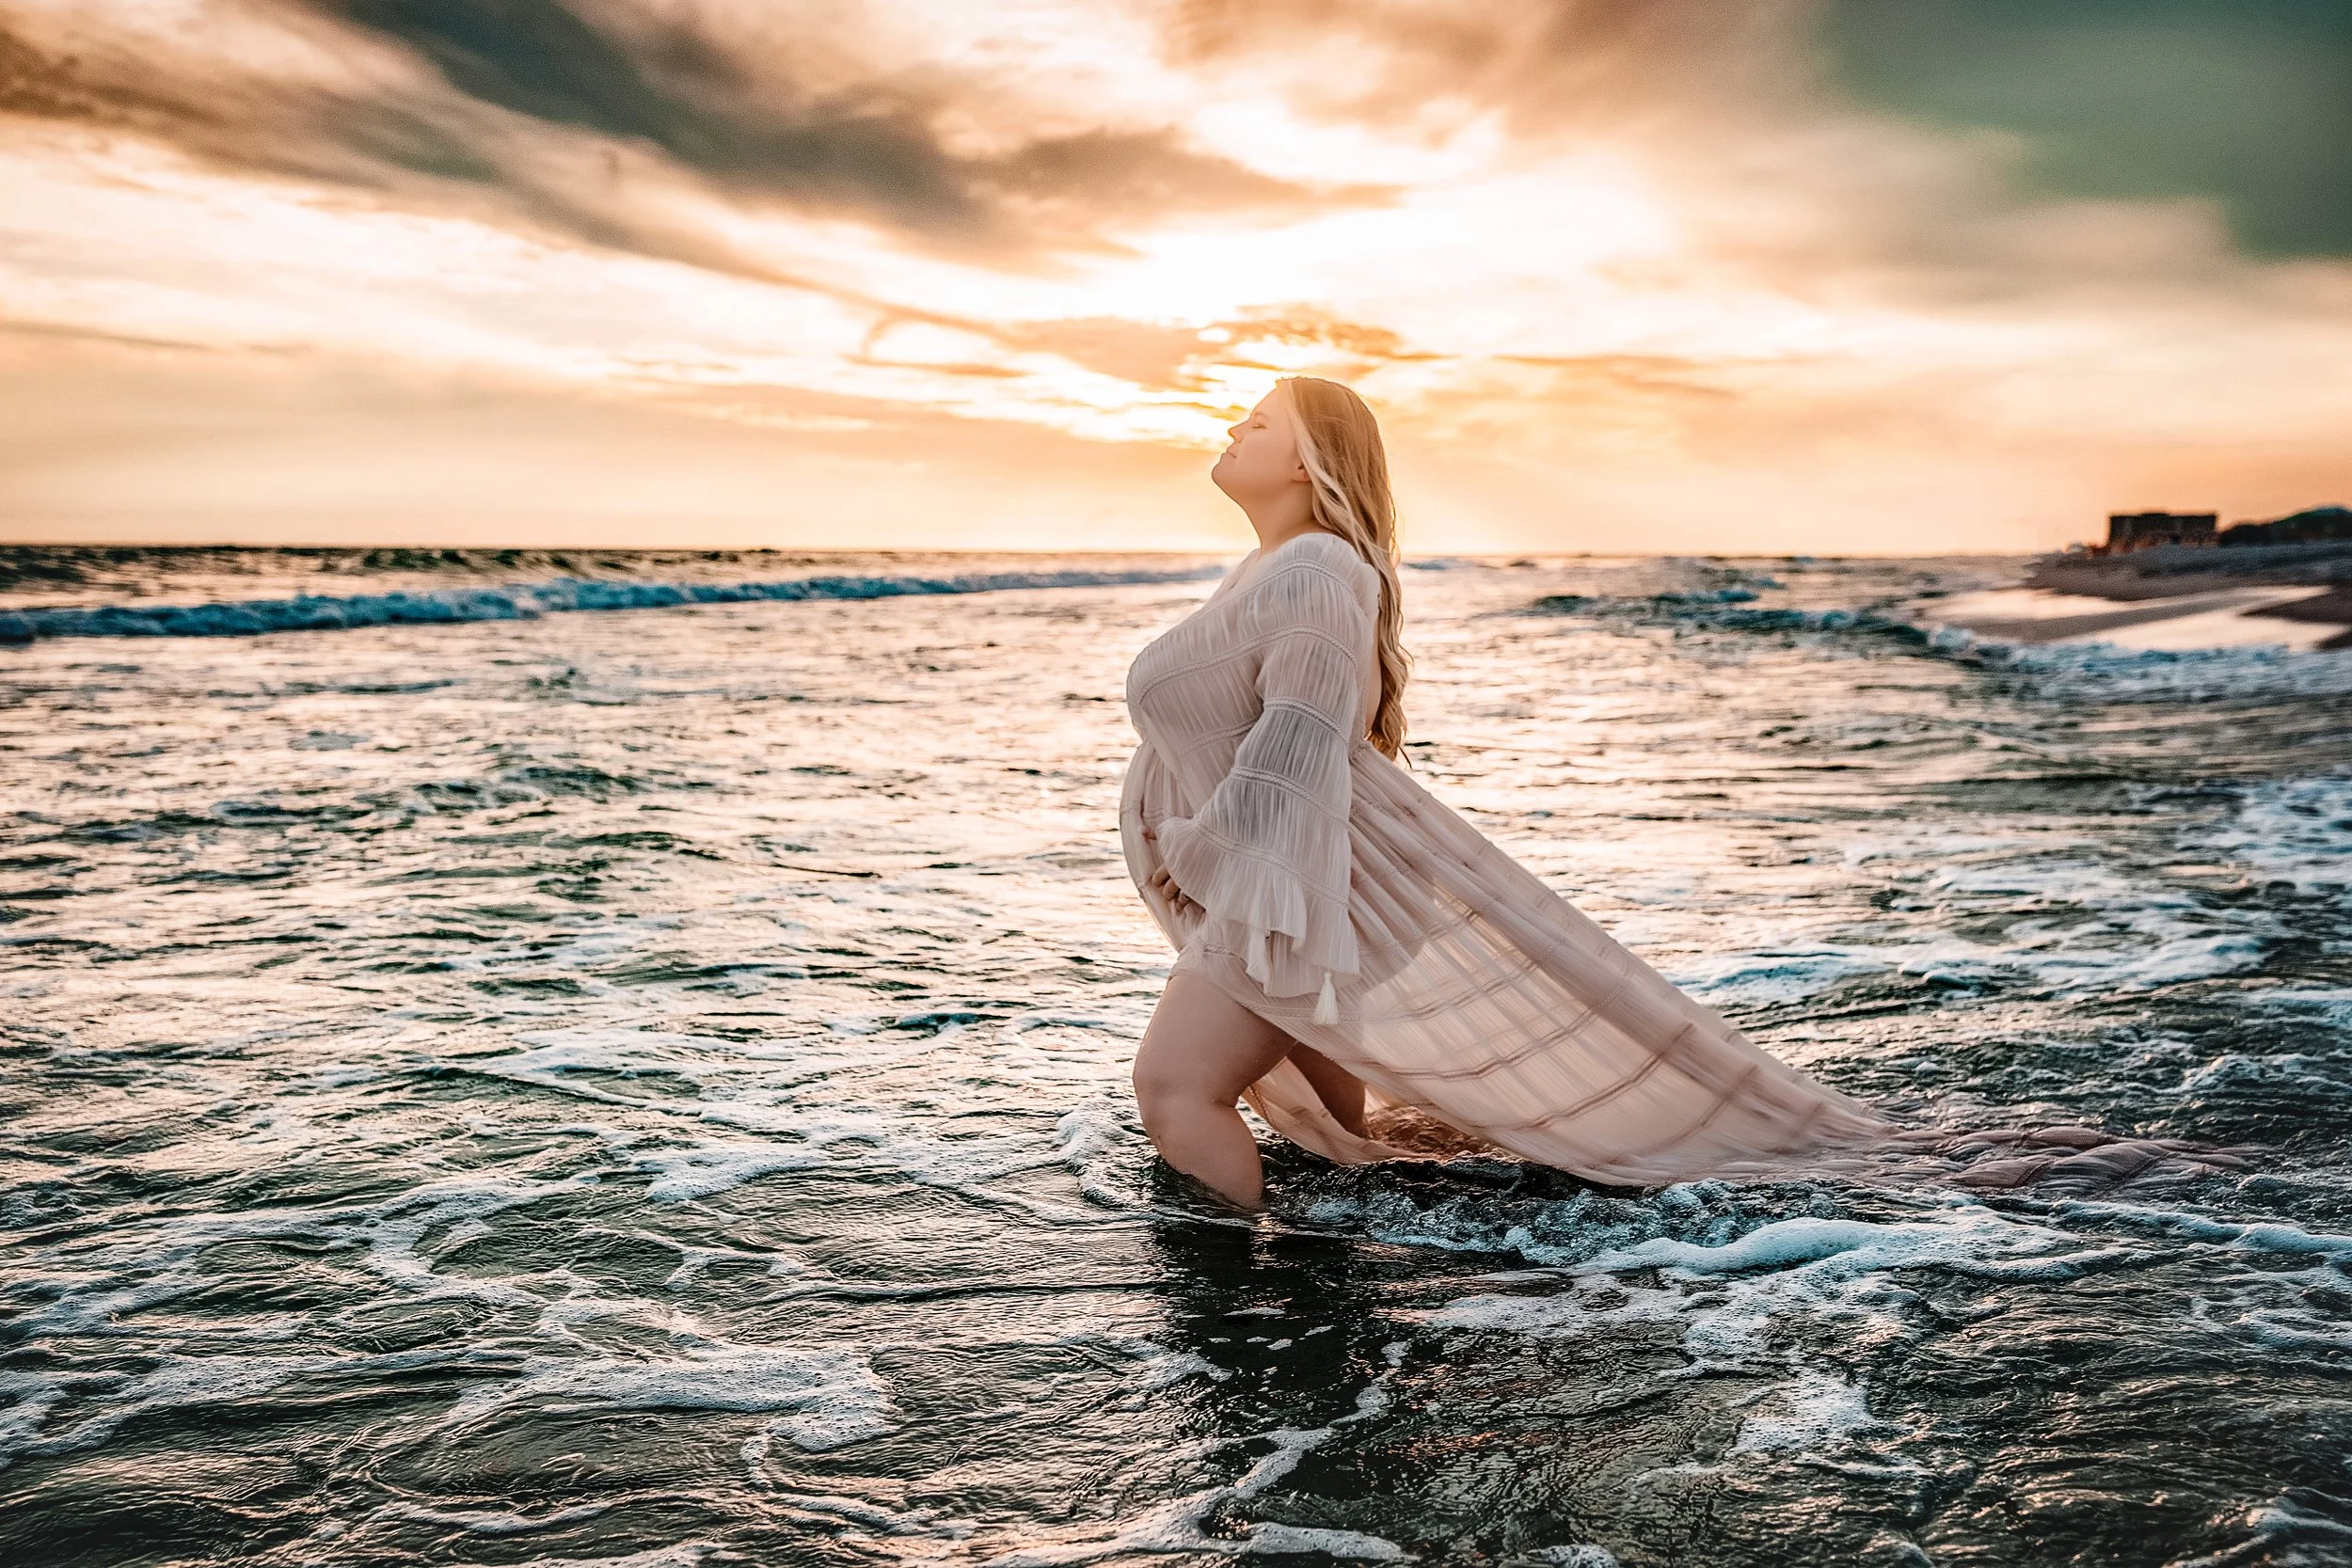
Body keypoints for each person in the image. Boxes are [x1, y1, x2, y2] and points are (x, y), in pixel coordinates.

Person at [1118, 376, 1888, 1209]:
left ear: (1308, 461)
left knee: (1173, 1088)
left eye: (1260, 422)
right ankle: (1354, 1247)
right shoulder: (1271, 566)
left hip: (1307, 881)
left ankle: (1233, 1305)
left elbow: (1298, 739)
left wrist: (1204, 852)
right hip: (1298, 870)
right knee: (1335, 1131)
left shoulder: (1315, 565)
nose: (1234, 426)